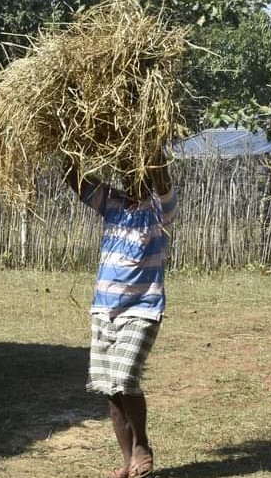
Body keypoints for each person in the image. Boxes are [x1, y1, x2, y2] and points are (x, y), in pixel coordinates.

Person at [65, 153, 177, 478]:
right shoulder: (112, 205)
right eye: (127, 175)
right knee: (110, 388)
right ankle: (128, 459)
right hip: (104, 309)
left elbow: (163, 181)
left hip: (143, 309)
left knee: (126, 376)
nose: (131, 181)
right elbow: (74, 180)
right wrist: (71, 145)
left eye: (137, 175)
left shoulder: (159, 212)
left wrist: (153, 154)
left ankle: (142, 444)